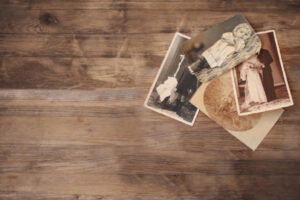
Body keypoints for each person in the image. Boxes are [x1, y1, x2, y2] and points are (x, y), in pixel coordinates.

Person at [188, 23, 253, 74]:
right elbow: (224, 37)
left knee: (209, 65)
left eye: (245, 34)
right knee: (202, 60)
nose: (242, 35)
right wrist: (234, 41)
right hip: (216, 50)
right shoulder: (230, 35)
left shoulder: (241, 42)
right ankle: (193, 68)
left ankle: (199, 70)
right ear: (236, 30)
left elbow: (238, 49)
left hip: (221, 55)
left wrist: (237, 44)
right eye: (241, 32)